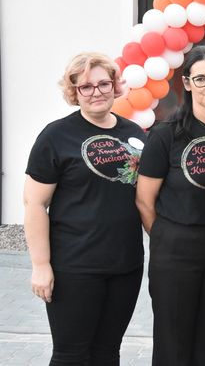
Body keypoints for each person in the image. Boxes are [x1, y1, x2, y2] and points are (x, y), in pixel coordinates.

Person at [23, 52, 146, 365]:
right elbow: (34, 203)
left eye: (104, 83)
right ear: (74, 92)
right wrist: (41, 265)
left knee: (108, 352)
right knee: (71, 355)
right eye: (86, 87)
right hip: (74, 267)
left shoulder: (134, 133)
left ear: (115, 86)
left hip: (126, 265)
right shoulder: (56, 136)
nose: (97, 92)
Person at [135, 45, 205, 365]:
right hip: (175, 247)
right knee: (173, 340)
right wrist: (165, 237)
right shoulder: (165, 135)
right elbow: (144, 200)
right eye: (200, 79)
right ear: (186, 83)